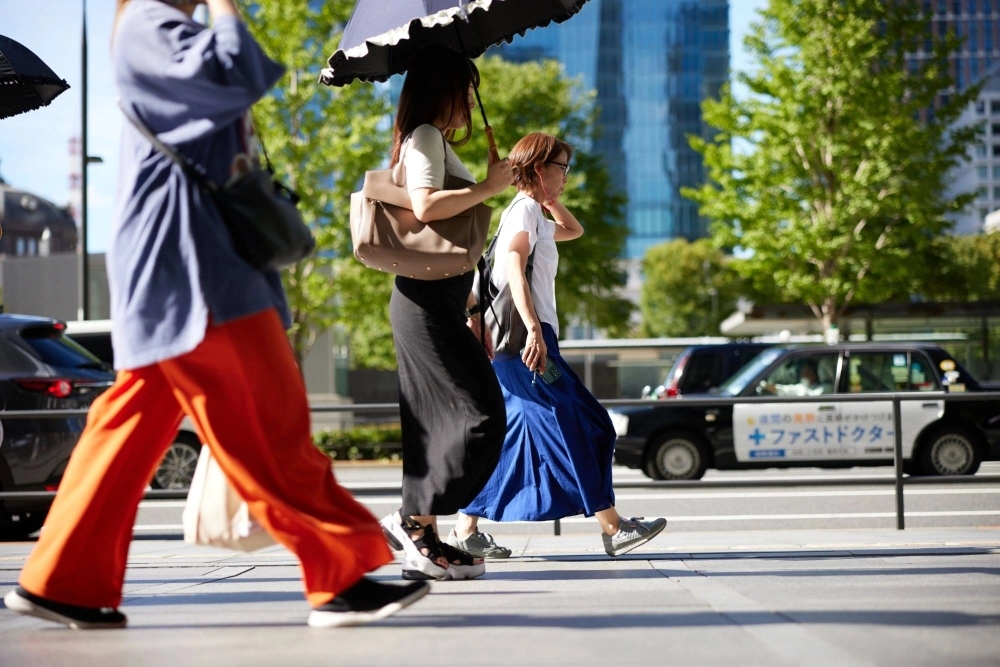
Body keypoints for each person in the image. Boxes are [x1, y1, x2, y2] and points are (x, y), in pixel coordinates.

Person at [3, 0, 427, 630]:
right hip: (195, 271)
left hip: (189, 269)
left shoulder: (160, 29)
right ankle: (338, 573)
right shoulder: (146, 24)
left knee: (131, 426)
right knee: (267, 421)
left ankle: (63, 581)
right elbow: (234, 70)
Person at [458, 132, 667, 557]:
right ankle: (612, 526)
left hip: (521, 344)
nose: (567, 177)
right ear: (540, 168)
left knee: (516, 432)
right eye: (562, 168)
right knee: (585, 422)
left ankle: (465, 528)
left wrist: (548, 198)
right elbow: (514, 268)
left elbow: (573, 229)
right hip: (526, 341)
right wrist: (534, 329)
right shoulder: (521, 212)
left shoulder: (532, 212)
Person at [377, 45, 514, 579]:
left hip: (437, 299)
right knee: (481, 415)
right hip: (426, 301)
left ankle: (425, 536)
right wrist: (487, 188)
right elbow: (426, 206)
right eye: (466, 89)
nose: (469, 102)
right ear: (445, 89)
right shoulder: (426, 136)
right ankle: (411, 519)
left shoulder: (426, 139)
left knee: (434, 424)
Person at [763, 359, 834, 396]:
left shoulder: (826, 388)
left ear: (813, 373)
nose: (803, 374)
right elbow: (787, 390)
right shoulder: (806, 387)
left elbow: (805, 394)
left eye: (806, 372)